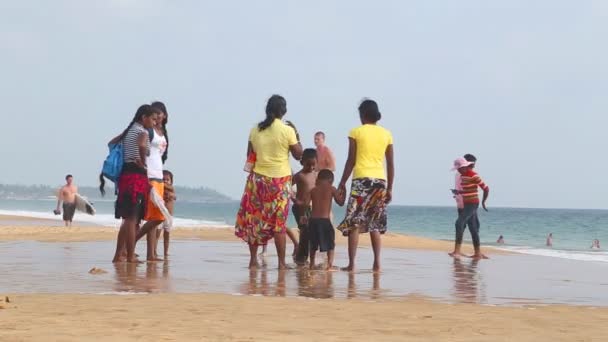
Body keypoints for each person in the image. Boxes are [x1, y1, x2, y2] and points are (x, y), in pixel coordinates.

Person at [235, 95, 303, 269]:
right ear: (284, 111)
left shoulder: (255, 129)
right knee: (279, 224)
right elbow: (299, 155)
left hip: (257, 180)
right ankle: (281, 263)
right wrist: (296, 135)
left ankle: (253, 260)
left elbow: (249, 154)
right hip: (280, 182)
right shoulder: (287, 130)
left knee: (255, 220)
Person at [337, 99, 394, 272]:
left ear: (362, 115)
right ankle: (377, 263)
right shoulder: (386, 134)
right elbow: (390, 164)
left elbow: (351, 160)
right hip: (380, 181)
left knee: (355, 222)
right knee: (374, 223)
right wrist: (390, 188)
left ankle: (352, 264)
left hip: (361, 179)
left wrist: (342, 182)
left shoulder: (356, 132)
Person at [108, 104, 157, 263]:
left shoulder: (129, 130)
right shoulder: (142, 131)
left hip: (125, 175)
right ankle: (129, 256)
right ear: (144, 117)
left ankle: (118, 255)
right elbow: (142, 145)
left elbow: (111, 143)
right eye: (153, 119)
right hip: (136, 176)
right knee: (132, 219)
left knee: (127, 218)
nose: (154, 123)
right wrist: (143, 161)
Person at [135, 104, 168, 262]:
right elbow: (140, 145)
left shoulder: (162, 133)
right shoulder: (149, 131)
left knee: (155, 217)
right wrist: (143, 166)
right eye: (155, 115)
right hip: (150, 175)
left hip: (159, 175)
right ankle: (132, 240)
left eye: (160, 114)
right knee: (158, 216)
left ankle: (151, 254)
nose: (159, 117)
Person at [449, 157, 490, 260]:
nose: (458, 170)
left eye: (460, 168)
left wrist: (483, 202)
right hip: (466, 203)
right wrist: (459, 192)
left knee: (459, 223)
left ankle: (457, 251)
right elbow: (468, 190)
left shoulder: (474, 175)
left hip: (473, 204)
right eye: (457, 168)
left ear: (465, 166)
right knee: (473, 227)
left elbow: (486, 188)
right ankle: (477, 253)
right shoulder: (462, 176)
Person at [307, 169, 345, 270]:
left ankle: (312, 264)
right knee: (330, 244)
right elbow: (340, 202)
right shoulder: (332, 188)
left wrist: (303, 216)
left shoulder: (313, 190)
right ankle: (329, 265)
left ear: (318, 179)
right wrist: (344, 192)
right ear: (330, 180)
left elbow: (306, 205)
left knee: (313, 244)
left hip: (313, 221)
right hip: (324, 221)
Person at [292, 149, 319, 265]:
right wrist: (294, 199)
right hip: (301, 209)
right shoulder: (299, 175)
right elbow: (287, 187)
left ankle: (304, 258)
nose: (312, 167)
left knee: (311, 232)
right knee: (305, 232)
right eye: (309, 164)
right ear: (302, 162)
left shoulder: (316, 174)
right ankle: (301, 259)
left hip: (313, 209)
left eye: (314, 164)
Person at [156, 170, 176, 258]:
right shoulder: (160, 189)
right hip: (160, 215)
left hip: (169, 216)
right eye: (163, 179)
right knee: (157, 233)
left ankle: (166, 251)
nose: (165, 181)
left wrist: (171, 196)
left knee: (167, 235)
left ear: (171, 181)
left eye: (167, 180)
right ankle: (154, 250)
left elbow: (174, 196)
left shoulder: (172, 189)